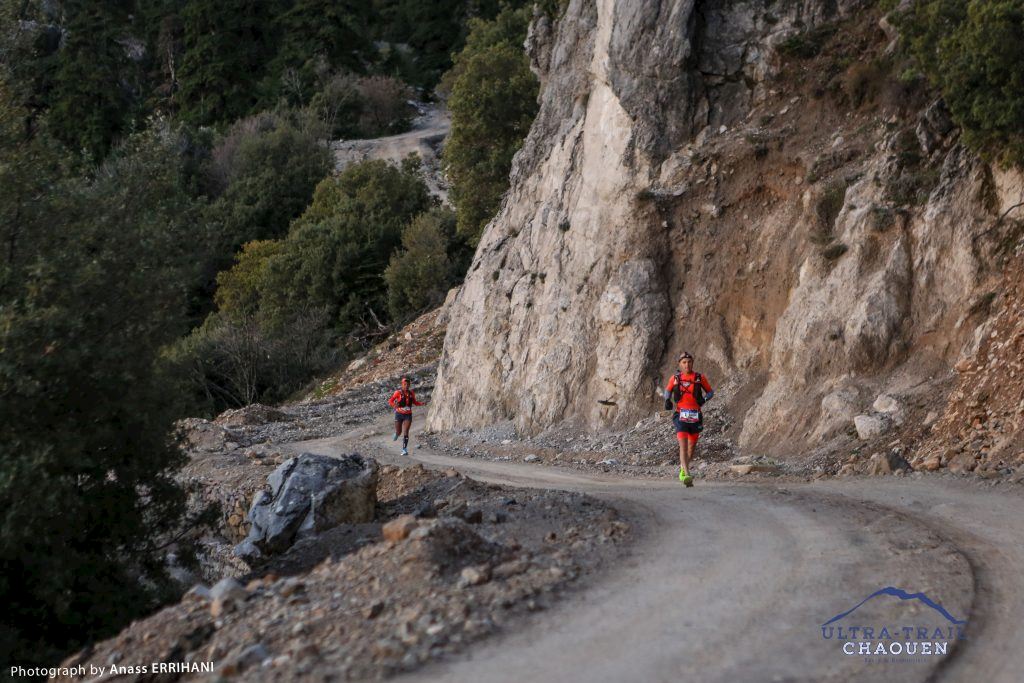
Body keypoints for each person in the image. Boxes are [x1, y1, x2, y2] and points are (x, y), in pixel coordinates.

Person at [665, 352, 714, 486]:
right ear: (680, 364)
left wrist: (703, 399)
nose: (687, 365)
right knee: (683, 445)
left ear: (692, 363)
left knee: (692, 448)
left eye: (689, 362)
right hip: (680, 415)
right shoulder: (675, 378)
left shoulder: (700, 377)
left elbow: (711, 392)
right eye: (684, 362)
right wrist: (667, 400)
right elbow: (667, 390)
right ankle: (686, 474)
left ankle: (682, 468)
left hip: (695, 415)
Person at [388, 376, 424, 455]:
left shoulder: (411, 393)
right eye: (404, 384)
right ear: (402, 385)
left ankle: (404, 449)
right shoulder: (398, 392)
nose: (406, 386)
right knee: (399, 431)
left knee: (406, 431)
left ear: (409, 385)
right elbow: (390, 401)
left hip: (408, 415)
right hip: (399, 414)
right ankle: (397, 434)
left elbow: (414, 402)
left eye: (408, 384)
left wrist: (421, 403)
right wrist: (394, 405)